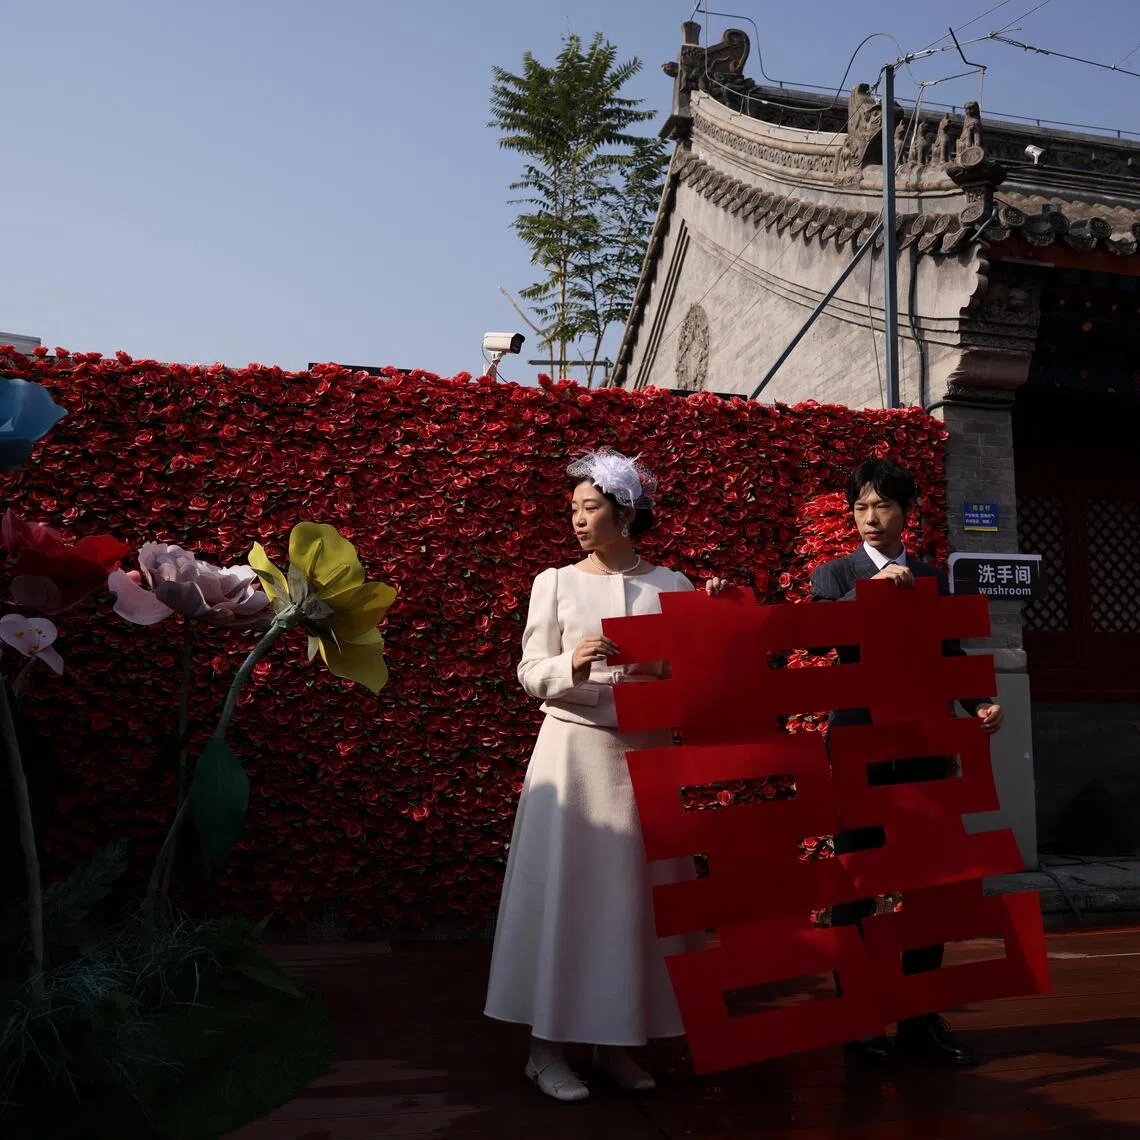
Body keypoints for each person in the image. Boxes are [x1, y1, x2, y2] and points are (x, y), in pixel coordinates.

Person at [484, 447, 725, 1102]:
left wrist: (689, 649)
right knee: (566, 899)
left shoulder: (672, 585)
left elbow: (695, 678)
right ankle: (545, 1050)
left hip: (645, 757)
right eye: (573, 509)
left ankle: (619, 1044)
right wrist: (573, 667)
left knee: (635, 905)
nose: (577, 521)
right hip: (573, 755)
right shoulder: (554, 581)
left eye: (590, 508)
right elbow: (529, 671)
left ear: (625, 513)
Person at [811, 457, 1004, 1068]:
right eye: (861, 507)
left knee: (930, 883)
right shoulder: (834, 573)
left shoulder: (932, 577)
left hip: (923, 745)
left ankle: (921, 1018)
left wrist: (981, 702)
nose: (871, 518)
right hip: (860, 744)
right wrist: (874, 592)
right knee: (856, 883)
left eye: (883, 506)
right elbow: (818, 637)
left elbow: (949, 652)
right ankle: (858, 1018)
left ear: (906, 512)